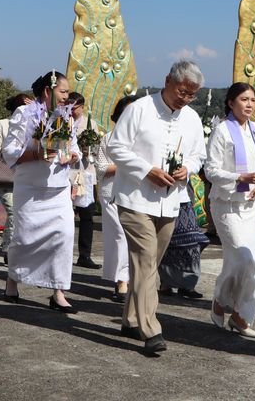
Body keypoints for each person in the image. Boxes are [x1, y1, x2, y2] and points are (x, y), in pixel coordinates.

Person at [106, 60, 207, 354]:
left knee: (148, 265)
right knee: (146, 262)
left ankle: (130, 318)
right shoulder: (139, 109)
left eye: (191, 94)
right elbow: (116, 147)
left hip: (171, 202)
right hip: (135, 199)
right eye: (181, 91)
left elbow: (199, 154)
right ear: (168, 81)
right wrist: (147, 169)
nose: (185, 98)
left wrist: (187, 168)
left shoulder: (191, 119)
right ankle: (151, 329)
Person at [2, 71, 80, 312]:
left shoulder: (66, 116)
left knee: (64, 237)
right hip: (31, 189)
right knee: (24, 238)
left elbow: (74, 148)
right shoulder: (24, 114)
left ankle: (58, 291)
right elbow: (10, 151)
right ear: (48, 91)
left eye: (68, 93)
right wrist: (37, 153)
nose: (67, 97)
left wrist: (72, 155)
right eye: (63, 92)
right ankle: (13, 281)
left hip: (58, 190)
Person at [204, 83, 255, 338]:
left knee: (252, 263)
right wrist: (240, 176)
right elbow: (211, 170)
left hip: (251, 206)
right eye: (244, 99)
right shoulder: (221, 131)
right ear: (231, 103)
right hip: (226, 204)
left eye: (253, 99)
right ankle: (220, 299)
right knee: (241, 259)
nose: (250, 104)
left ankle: (242, 316)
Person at [95, 94, 138, 302]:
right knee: (119, 235)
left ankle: (129, 278)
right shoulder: (108, 138)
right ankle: (121, 281)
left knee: (134, 238)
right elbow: (102, 168)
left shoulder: (142, 140)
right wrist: (126, 165)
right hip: (111, 192)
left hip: (136, 194)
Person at [0, 93, 33, 263]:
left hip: (26, 178)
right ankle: (9, 250)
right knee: (14, 213)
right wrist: (15, 151)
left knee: (21, 214)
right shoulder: (4, 124)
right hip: (6, 178)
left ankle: (13, 246)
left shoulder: (34, 127)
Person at [67, 92, 100, 270]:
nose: (72, 110)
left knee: (87, 215)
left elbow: (96, 147)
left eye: (75, 107)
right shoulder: (63, 122)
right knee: (65, 213)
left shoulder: (90, 124)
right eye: (69, 107)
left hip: (86, 172)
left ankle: (84, 254)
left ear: (82, 106)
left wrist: (90, 151)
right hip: (68, 172)